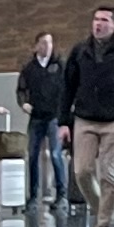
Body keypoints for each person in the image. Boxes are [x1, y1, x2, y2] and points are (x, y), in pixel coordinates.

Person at [61, 3, 114, 211]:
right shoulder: (80, 51)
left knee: (108, 174)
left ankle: (103, 224)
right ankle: (101, 208)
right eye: (96, 19)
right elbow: (67, 88)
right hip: (84, 118)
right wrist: (63, 122)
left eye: (104, 20)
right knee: (82, 171)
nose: (98, 24)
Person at [17, 30, 71, 204]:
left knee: (56, 155)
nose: (47, 46)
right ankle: (33, 195)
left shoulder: (60, 66)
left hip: (55, 117)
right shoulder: (29, 68)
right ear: (36, 46)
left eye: (50, 42)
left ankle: (61, 194)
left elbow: (68, 88)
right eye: (43, 43)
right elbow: (21, 90)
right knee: (32, 156)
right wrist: (24, 103)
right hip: (36, 117)